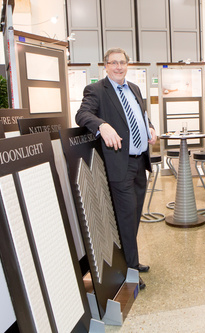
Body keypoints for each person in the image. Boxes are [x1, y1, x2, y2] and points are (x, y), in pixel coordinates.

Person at [75, 48, 157, 290]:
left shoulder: (135, 88)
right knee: (125, 217)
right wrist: (102, 126)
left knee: (133, 216)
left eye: (122, 62)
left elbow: (140, 115)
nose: (119, 67)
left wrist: (150, 127)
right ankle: (130, 270)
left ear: (127, 65)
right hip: (119, 165)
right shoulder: (97, 90)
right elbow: (82, 115)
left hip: (140, 161)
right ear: (106, 66)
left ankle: (130, 260)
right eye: (114, 63)